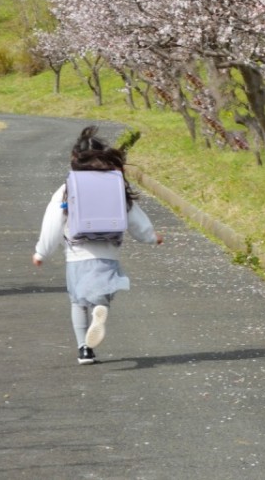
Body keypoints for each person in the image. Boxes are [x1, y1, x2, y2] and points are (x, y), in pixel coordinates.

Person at [32, 126, 162, 365]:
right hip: (108, 251)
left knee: (77, 302)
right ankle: (100, 308)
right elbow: (134, 217)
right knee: (100, 294)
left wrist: (42, 251)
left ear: (75, 159)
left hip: (77, 253)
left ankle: (84, 350)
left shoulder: (66, 189)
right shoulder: (115, 186)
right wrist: (151, 237)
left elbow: (52, 222)